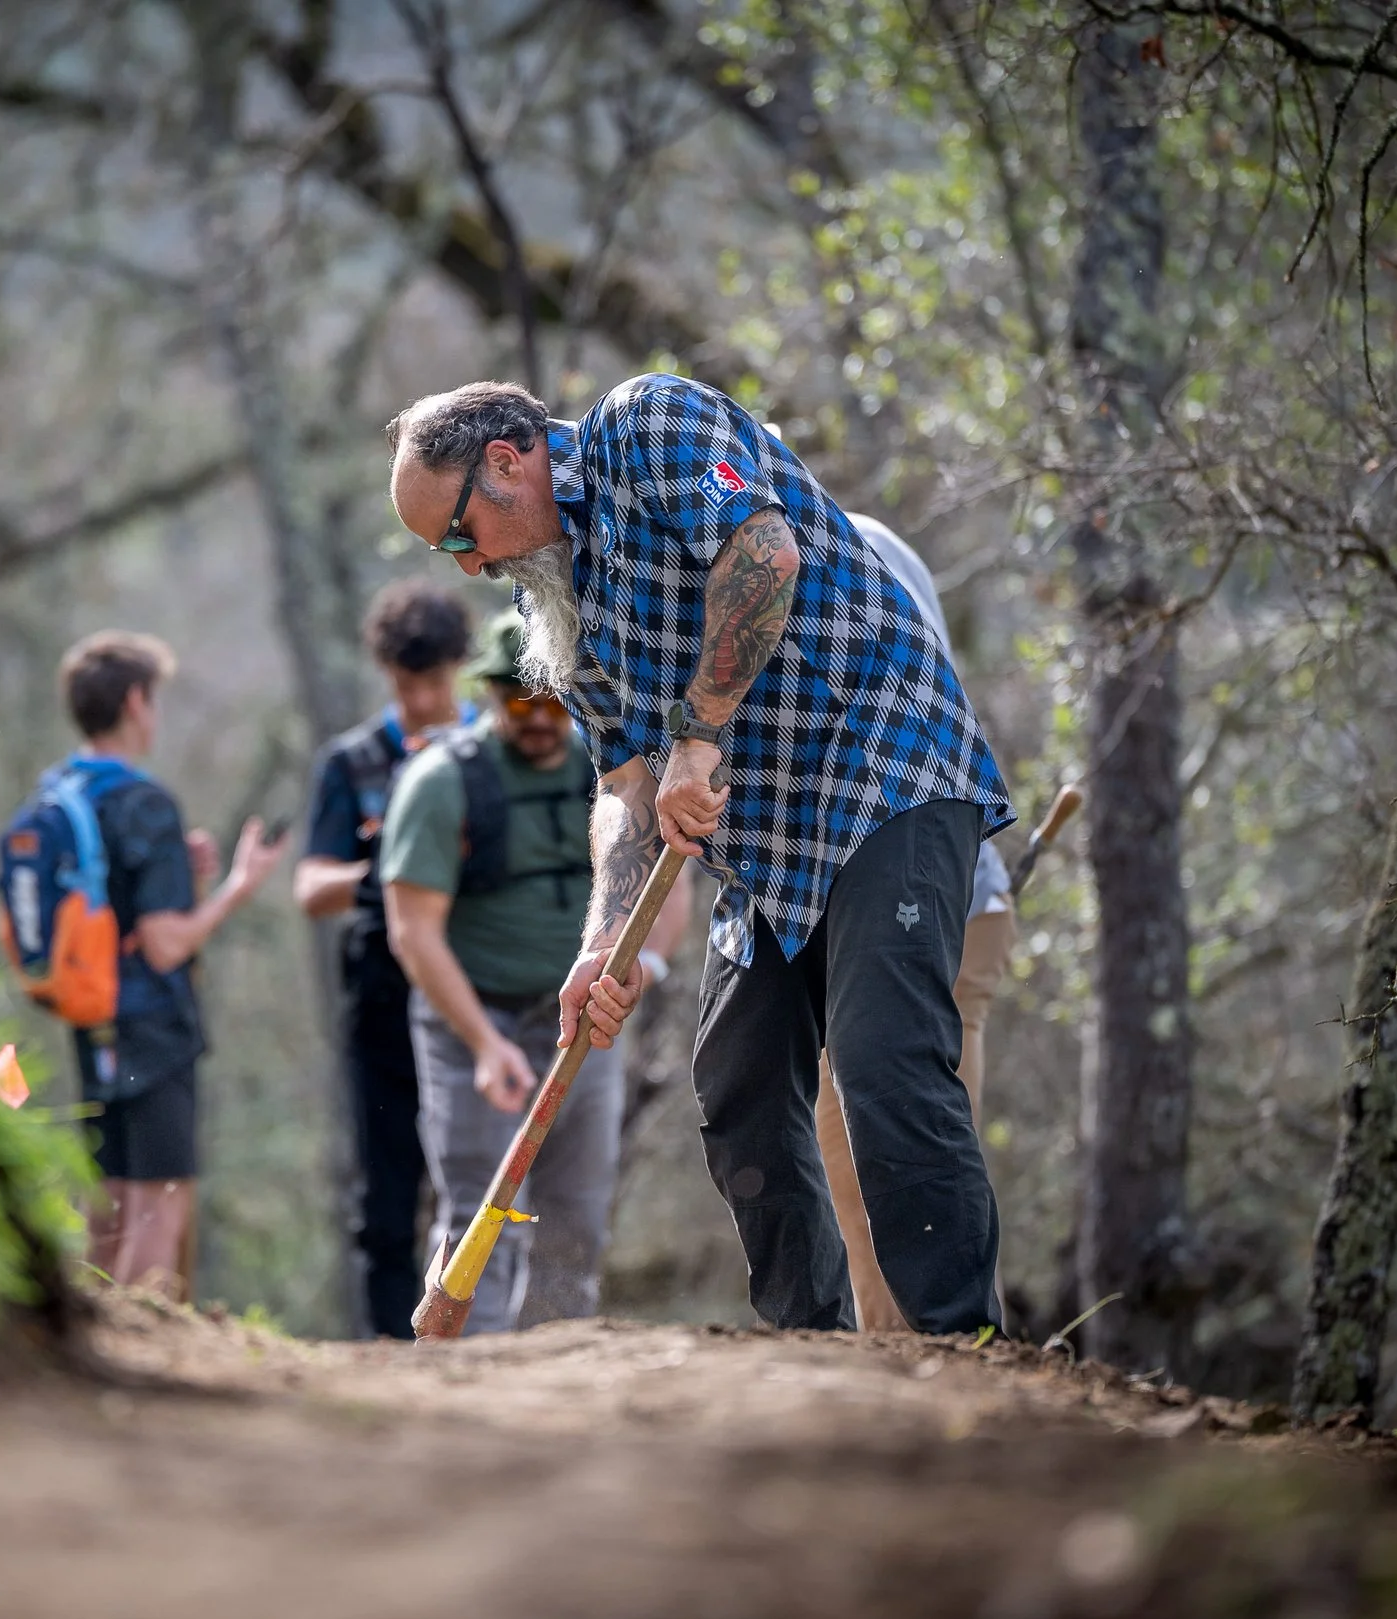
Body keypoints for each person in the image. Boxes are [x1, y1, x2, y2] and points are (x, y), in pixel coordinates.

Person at [385, 375, 1014, 1336]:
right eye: (447, 554)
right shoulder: (557, 595)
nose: (468, 568)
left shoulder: (652, 424)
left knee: (886, 1065)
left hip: (885, 773)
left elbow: (763, 550)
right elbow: (627, 786)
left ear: (508, 462)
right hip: (767, 845)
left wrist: (701, 732)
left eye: (461, 535)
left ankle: (961, 1340)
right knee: (739, 1083)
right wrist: (603, 943)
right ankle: (812, 1346)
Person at [379, 611, 691, 1333]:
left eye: (552, 698)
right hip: (473, 1024)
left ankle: (554, 1368)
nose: (539, 717)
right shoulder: (440, 784)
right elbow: (414, 931)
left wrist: (636, 967)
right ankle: (466, 1376)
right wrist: (484, 1044)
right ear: (489, 695)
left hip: (583, 1024)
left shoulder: (616, 774)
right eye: (519, 699)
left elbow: (669, 889)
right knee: (477, 1210)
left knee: (574, 1215)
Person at [814, 513, 1019, 1333]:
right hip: (943, 893)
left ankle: (937, 1356)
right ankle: (916, 1354)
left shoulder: (838, 548)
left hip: (930, 897)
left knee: (900, 1133)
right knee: (900, 1129)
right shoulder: (865, 533)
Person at [47, 630, 286, 1297]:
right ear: (134, 700)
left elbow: (120, 908)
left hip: (92, 1020)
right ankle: (142, 1351)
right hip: (153, 1027)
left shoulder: (66, 793)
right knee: (160, 1198)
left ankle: (93, 1332)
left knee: (113, 1195)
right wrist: (239, 885)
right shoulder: (143, 801)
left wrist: (187, 879)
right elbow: (164, 944)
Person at [294, 580, 476, 1339]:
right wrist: (396, 871)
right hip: (380, 994)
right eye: (409, 685)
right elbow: (311, 886)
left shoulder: (493, 750)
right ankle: (390, 1349)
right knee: (388, 1185)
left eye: (437, 681)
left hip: (479, 986)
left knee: (473, 1171)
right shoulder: (353, 761)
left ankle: (491, 1337)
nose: (426, 699)